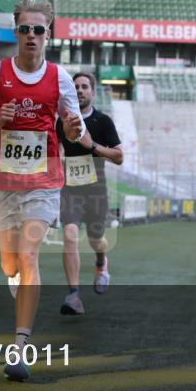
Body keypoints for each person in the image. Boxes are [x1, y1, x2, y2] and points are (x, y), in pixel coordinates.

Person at [0, 0, 87, 381]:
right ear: (16, 32)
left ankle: (19, 348)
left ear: (48, 34)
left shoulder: (60, 77)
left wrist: (73, 129)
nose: (31, 35)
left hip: (44, 182)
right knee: (10, 264)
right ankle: (14, 277)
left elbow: (75, 126)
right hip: (4, 184)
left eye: (38, 30)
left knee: (29, 256)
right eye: (25, 29)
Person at [57, 73, 123, 316]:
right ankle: (73, 295)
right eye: (75, 87)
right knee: (69, 234)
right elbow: (56, 151)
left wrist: (92, 145)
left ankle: (101, 261)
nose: (80, 90)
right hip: (70, 190)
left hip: (96, 190)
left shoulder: (103, 121)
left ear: (92, 93)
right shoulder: (62, 121)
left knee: (97, 240)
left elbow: (119, 156)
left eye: (84, 86)